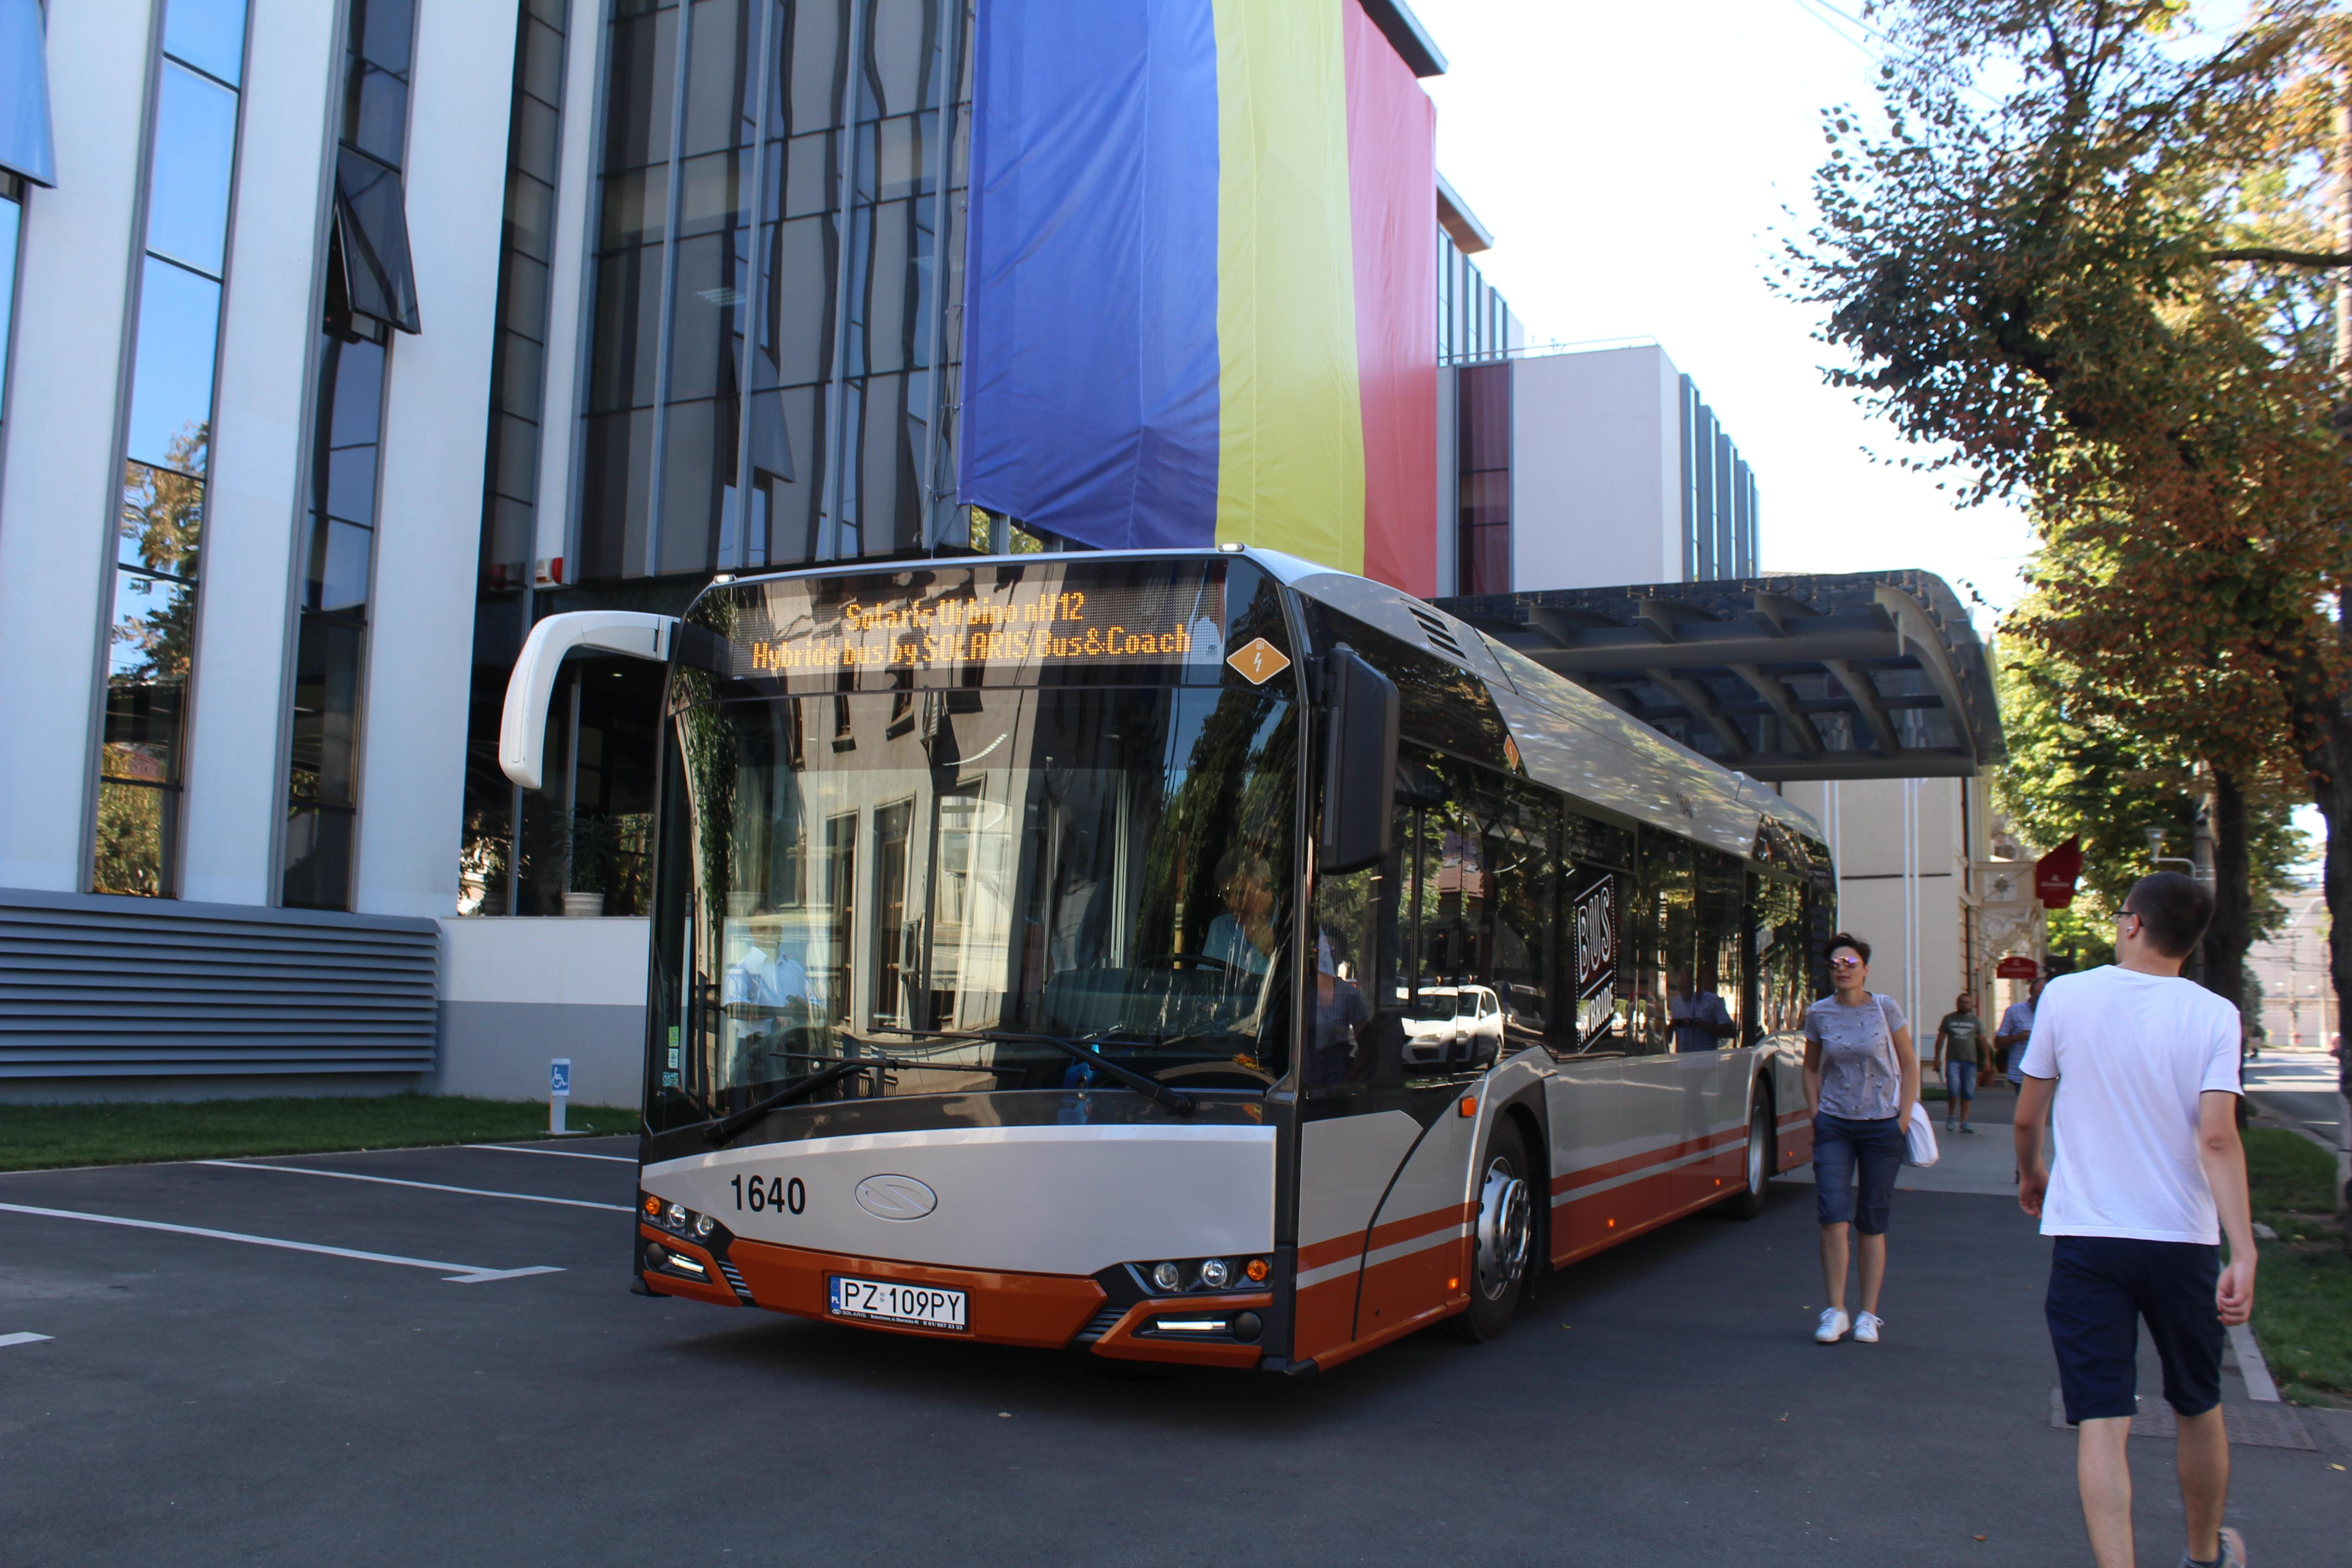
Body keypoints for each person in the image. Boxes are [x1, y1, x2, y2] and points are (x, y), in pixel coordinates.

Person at [2015, 873, 2254, 1568]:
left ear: (2131, 925)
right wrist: (2243, 1251)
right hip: (2182, 1242)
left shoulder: (2066, 995)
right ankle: (2205, 1557)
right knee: (2197, 1403)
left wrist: (2033, 1173)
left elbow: (2030, 1114)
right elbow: (2217, 1138)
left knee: (2101, 1417)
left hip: (2089, 1239)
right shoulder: (2215, 1015)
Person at [1802, 932, 1919, 1345]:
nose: (1842, 969)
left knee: (1872, 1220)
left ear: (1866, 969)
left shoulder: (1886, 1009)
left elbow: (1909, 1064)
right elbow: (1812, 1068)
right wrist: (1817, 1113)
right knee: (1832, 1214)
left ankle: (1869, 1314)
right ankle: (1836, 1310)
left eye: (1850, 963)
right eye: (1835, 964)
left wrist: (1902, 1119)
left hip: (1881, 1125)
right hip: (1835, 1125)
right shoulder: (1819, 1013)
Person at [1933, 991, 1986, 1133]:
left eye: (1967, 1003)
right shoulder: (1949, 1019)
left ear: (1971, 1005)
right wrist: (1937, 1058)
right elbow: (1941, 1038)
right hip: (1953, 1060)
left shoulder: (1975, 1021)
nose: (1965, 1005)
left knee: (1968, 1091)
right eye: (1962, 1002)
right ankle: (1951, 1116)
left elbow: (1982, 1040)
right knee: (1954, 1088)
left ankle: (1965, 1122)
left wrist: (1987, 1059)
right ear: (1957, 1004)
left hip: (1971, 1061)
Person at [1667, 965, 1735, 1054]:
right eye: (1680, 987)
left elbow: (1730, 1032)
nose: (1682, 990)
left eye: (1685, 986)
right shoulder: (1677, 1003)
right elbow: (1669, 1039)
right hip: (1682, 1063)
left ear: (1694, 984)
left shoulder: (1713, 1001)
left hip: (1706, 1063)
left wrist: (1701, 1025)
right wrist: (1671, 1026)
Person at [1997, 975, 2043, 1088]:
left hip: (2047, 1072)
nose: (2040, 1001)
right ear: (2030, 992)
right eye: (2037, 997)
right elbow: (1998, 1042)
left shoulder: (2056, 1013)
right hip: (2021, 1073)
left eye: (2044, 997)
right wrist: (2019, 1037)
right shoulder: (2014, 1011)